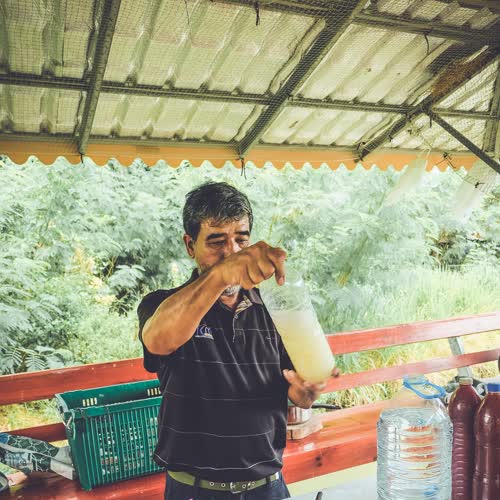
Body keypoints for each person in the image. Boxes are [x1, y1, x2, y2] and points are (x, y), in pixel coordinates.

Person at [138, 182, 339, 499]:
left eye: (241, 241)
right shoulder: (163, 305)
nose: (231, 253)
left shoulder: (272, 308)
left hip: (268, 485)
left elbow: (294, 386)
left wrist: (304, 393)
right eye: (217, 241)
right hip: (194, 490)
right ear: (190, 245)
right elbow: (159, 341)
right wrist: (222, 275)